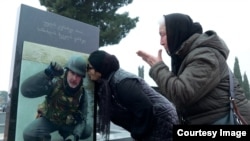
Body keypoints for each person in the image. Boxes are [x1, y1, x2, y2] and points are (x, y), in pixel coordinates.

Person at [136, 13, 250, 125]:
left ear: (176, 32)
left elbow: (181, 95)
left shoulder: (205, 55)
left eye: (163, 35)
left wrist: (158, 68)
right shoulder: (186, 56)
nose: (161, 42)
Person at [87, 50, 179, 141]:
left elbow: (144, 107)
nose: (87, 71)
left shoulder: (122, 83)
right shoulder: (109, 84)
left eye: (90, 68)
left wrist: (137, 134)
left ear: (99, 69)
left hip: (163, 123)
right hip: (156, 123)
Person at [21, 55, 92, 141]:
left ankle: (66, 134)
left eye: (78, 76)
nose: (74, 78)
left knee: (87, 130)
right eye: (72, 73)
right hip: (49, 120)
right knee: (29, 133)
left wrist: (75, 135)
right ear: (67, 71)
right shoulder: (55, 82)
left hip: (67, 124)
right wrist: (48, 73)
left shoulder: (82, 94)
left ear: (82, 78)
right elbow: (26, 91)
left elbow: (82, 119)